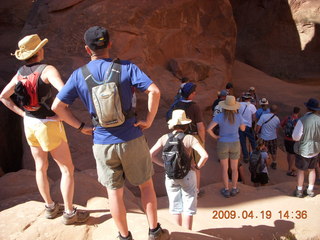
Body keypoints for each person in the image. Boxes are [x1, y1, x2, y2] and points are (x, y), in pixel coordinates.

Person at [51, 26, 169, 240]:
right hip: (132, 137)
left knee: (114, 193)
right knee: (146, 186)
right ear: (109, 44)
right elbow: (155, 91)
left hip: (102, 142)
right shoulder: (126, 67)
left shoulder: (79, 75)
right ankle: (154, 231)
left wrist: (80, 126)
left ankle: (124, 236)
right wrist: (148, 120)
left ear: (88, 49)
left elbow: (57, 107)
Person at [0, 34, 89, 224]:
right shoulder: (47, 70)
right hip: (48, 124)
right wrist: (59, 114)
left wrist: (22, 114)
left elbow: (3, 96)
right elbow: (64, 93)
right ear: (38, 51)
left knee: (40, 167)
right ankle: (70, 213)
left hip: (30, 123)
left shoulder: (20, 73)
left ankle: (49, 207)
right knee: (67, 169)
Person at [150, 109, 208, 230]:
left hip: (171, 175)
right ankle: (188, 233)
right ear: (185, 124)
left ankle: (178, 233)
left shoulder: (164, 138)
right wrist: (197, 167)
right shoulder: (190, 138)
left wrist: (163, 165)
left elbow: (150, 155)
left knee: (175, 206)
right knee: (189, 206)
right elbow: (205, 155)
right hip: (188, 174)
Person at [170, 82, 206, 196]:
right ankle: (196, 190)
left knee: (181, 162)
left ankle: (181, 188)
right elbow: (200, 125)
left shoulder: (176, 104)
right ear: (189, 94)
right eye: (193, 92)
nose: (195, 94)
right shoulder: (194, 106)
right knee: (195, 165)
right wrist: (202, 140)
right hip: (192, 136)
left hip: (179, 135)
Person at [207, 95, 245, 198]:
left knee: (224, 168)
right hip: (235, 143)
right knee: (234, 168)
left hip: (223, 142)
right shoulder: (238, 116)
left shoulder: (219, 116)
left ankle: (226, 189)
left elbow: (209, 129)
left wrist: (216, 137)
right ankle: (234, 188)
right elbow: (243, 129)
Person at [292, 98, 320, 198]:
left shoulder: (302, 120)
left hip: (303, 149)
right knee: (312, 169)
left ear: (307, 108)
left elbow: (295, 137)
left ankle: (299, 190)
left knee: (300, 170)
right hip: (315, 149)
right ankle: (310, 190)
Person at [255, 104, 280, 170]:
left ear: (269, 109)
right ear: (276, 111)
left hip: (264, 137)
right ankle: (274, 162)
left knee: (264, 152)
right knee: (273, 151)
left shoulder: (264, 116)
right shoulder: (277, 119)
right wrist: (276, 135)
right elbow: (277, 128)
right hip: (273, 137)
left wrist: (256, 133)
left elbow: (258, 126)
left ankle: (265, 165)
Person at [280, 106, 300, 176]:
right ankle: (289, 170)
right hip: (293, 140)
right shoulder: (298, 120)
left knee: (288, 153)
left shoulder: (287, 118)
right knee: (292, 154)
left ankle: (290, 167)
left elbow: (281, 125)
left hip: (286, 138)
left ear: (293, 111)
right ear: (298, 112)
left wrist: (284, 131)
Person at [238, 92, 257, 163]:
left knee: (243, 142)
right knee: (252, 141)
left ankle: (246, 157)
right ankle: (255, 155)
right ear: (249, 98)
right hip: (249, 126)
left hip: (240, 126)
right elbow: (254, 117)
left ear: (244, 98)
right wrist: (253, 125)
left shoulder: (239, 105)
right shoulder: (252, 106)